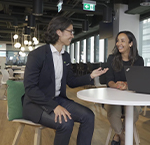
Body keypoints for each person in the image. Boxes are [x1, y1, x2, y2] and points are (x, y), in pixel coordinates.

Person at [22, 16, 108, 145]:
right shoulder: (37, 55)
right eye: (70, 31)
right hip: (36, 104)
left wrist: (90, 76)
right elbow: (30, 88)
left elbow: (71, 81)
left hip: (57, 99)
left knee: (89, 116)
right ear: (59, 32)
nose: (72, 35)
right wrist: (54, 106)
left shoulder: (65, 56)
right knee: (66, 124)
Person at [105, 31, 144, 145]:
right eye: (118, 41)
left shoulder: (138, 60)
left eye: (122, 41)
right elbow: (109, 80)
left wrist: (127, 85)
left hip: (132, 97)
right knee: (113, 113)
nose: (118, 43)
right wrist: (117, 85)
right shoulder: (112, 58)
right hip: (114, 95)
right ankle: (123, 138)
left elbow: (139, 81)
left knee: (134, 113)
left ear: (131, 44)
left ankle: (117, 135)